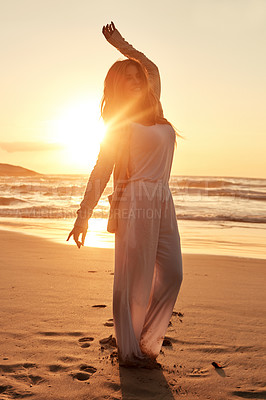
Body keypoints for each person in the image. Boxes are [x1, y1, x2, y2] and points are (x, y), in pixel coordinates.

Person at [67, 22, 183, 369]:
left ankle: (144, 340)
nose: (136, 79)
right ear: (117, 85)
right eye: (128, 76)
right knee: (134, 277)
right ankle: (130, 351)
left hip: (163, 198)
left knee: (173, 273)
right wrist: (83, 213)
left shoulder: (155, 107)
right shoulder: (118, 124)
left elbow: (153, 67)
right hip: (136, 200)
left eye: (137, 75)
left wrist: (121, 45)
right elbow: (101, 169)